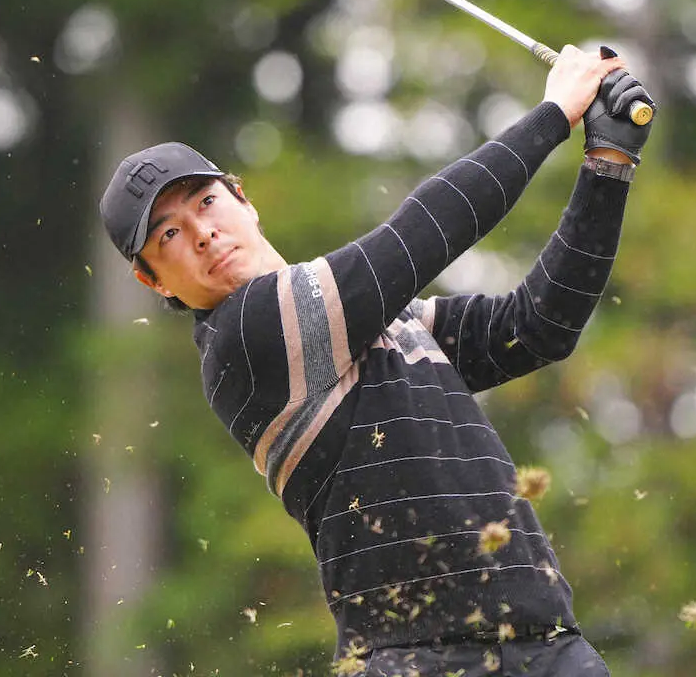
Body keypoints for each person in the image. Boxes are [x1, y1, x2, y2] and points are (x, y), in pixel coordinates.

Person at [99, 45, 654, 676]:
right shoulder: (243, 337)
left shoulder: (387, 324)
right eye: (167, 234)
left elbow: (536, 329)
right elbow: (419, 236)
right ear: (155, 282)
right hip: (416, 662)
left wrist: (608, 165)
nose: (200, 233)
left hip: (551, 649)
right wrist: (555, 112)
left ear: (241, 197)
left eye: (203, 202)